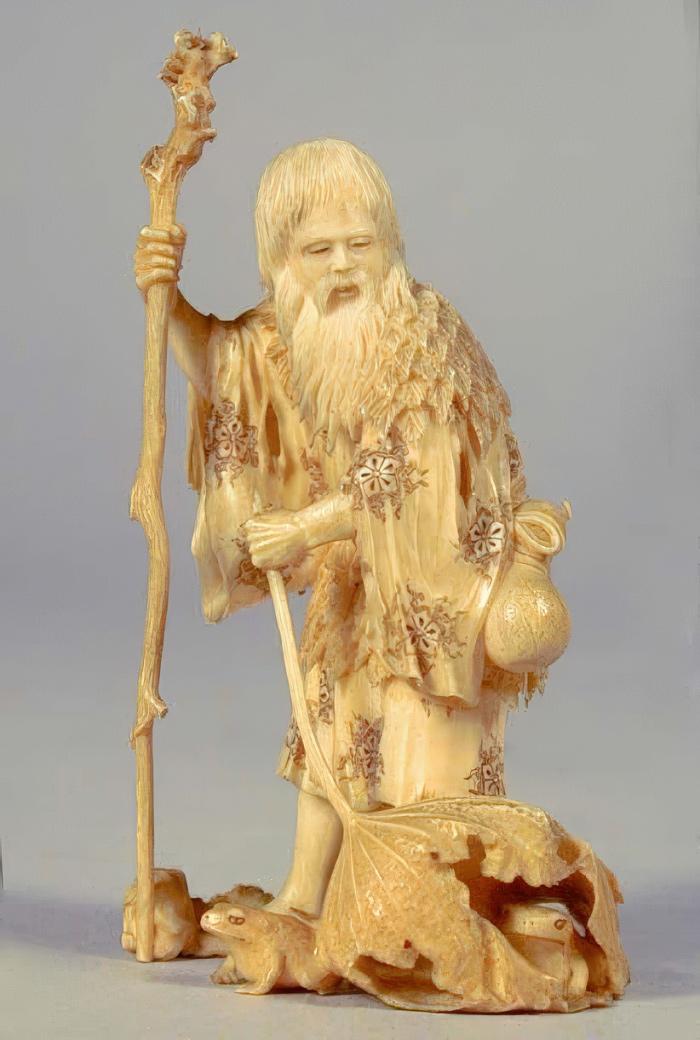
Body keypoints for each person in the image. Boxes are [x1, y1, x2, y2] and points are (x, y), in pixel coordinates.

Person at [133, 138, 557, 918]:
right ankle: (306, 897)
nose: (341, 268)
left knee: (420, 739)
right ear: (282, 262)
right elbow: (231, 366)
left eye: (359, 245)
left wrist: (305, 527)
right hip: (354, 582)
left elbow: (413, 477)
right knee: (328, 722)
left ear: (388, 244)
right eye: (317, 250)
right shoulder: (307, 331)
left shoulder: (424, 340)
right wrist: (167, 297)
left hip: (434, 593)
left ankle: (436, 902)